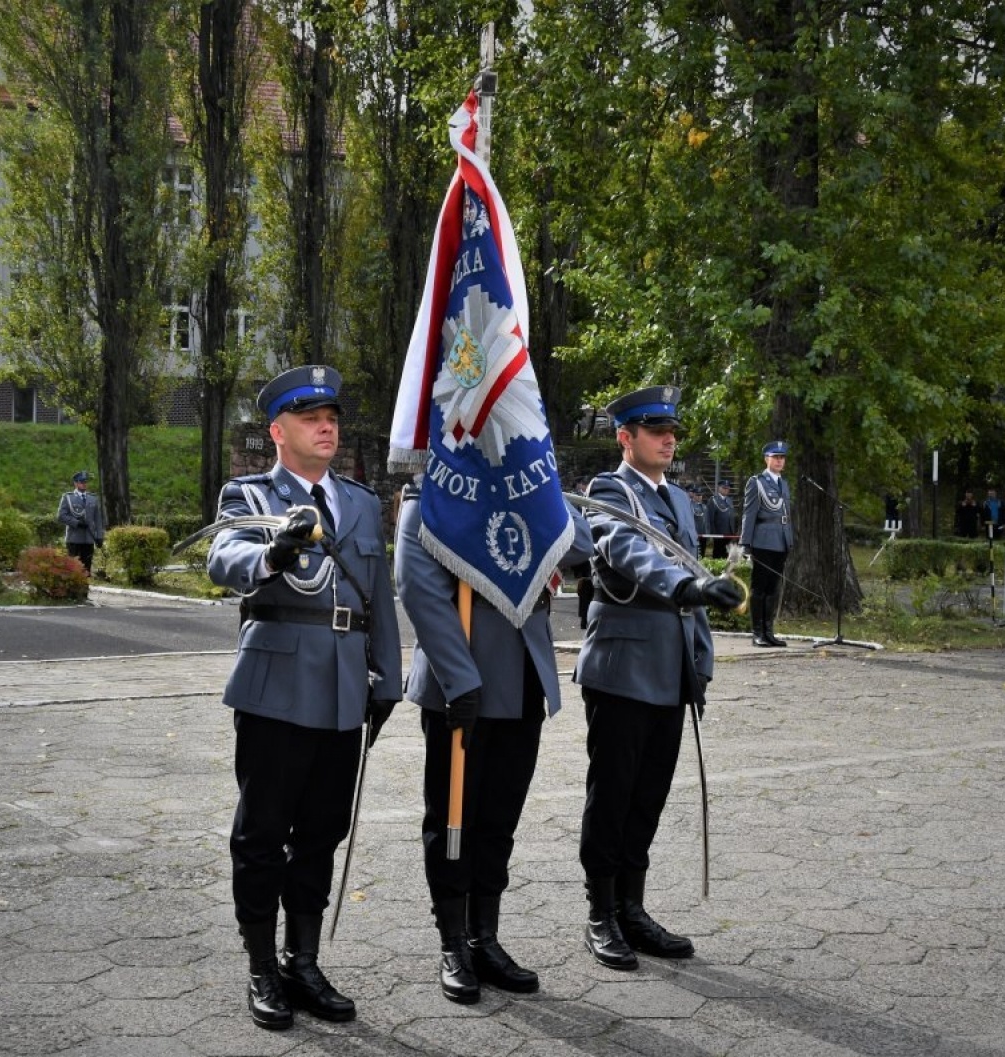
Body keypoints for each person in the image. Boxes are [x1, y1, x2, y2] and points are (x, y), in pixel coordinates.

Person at [207, 365, 403, 1031]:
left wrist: (390, 676)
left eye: (333, 415)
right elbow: (224, 557)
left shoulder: (359, 500)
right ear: (277, 431)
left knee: (323, 829)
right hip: (277, 684)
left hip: (346, 685)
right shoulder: (250, 493)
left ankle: (304, 958)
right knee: (263, 833)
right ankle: (262, 964)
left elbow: (378, 593)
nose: (328, 425)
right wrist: (276, 548)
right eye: (311, 415)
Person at [394, 479, 592, 1004]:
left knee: (500, 818)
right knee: (453, 819)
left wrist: (532, 485)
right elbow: (416, 582)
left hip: (523, 671)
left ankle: (485, 936)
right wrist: (460, 677)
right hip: (466, 672)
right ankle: (452, 942)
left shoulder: (527, 481)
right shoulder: (431, 489)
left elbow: (581, 542)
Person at [574, 385, 745, 972]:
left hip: (669, 668)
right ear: (627, 437)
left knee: (649, 792)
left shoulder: (679, 499)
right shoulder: (608, 491)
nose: (669, 440)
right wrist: (690, 587)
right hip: (622, 666)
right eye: (655, 430)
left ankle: (632, 906)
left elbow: (691, 594)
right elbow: (628, 553)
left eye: (672, 431)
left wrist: (700, 661)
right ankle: (600, 912)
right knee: (613, 791)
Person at [739, 441, 796, 649]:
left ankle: (769, 632)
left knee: (773, 588)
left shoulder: (784, 484)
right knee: (760, 587)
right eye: (776, 457)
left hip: (781, 541)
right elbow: (749, 513)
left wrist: (789, 540)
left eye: (782, 458)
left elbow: (786, 515)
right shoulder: (757, 482)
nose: (780, 461)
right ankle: (757, 633)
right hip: (762, 541)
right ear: (767, 459)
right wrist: (745, 543)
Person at [56, 471, 106, 574]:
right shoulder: (68, 497)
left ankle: (85, 588)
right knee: (73, 568)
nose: (84, 484)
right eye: (81, 482)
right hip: (74, 539)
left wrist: (99, 536)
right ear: (75, 483)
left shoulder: (93, 498)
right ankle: (74, 589)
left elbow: (98, 519)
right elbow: (61, 516)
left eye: (85, 482)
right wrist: (76, 523)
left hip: (89, 539)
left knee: (86, 569)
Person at [705, 479, 735, 559]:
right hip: (718, 532)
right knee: (718, 554)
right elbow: (710, 518)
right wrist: (712, 533)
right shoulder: (713, 500)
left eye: (728, 488)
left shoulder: (729, 500)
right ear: (719, 488)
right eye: (724, 488)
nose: (726, 490)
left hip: (729, 532)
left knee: (727, 554)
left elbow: (731, 517)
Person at [688, 484, 710, 557]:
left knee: (702, 554)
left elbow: (707, 522)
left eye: (700, 495)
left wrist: (708, 533)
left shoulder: (704, 507)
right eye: (697, 495)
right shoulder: (689, 506)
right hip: (694, 534)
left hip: (703, 534)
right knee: (695, 554)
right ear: (693, 494)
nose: (699, 497)